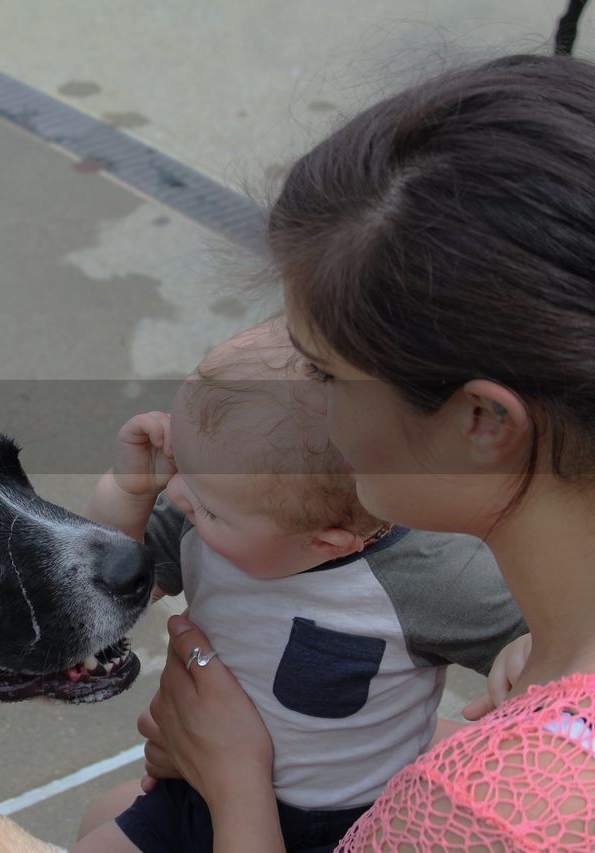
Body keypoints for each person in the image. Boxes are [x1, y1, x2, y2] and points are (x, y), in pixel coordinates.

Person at [140, 53, 595, 851]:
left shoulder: (487, 812)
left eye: (323, 372)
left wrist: (235, 782)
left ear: (485, 419)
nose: (301, 403)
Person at [78, 319, 523, 852]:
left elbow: (547, 640)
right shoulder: (209, 518)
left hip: (348, 819)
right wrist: (128, 492)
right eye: (180, 469)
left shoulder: (433, 579)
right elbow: (102, 590)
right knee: (95, 834)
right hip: (195, 779)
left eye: (205, 503)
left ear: (327, 542)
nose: (175, 496)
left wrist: (522, 652)